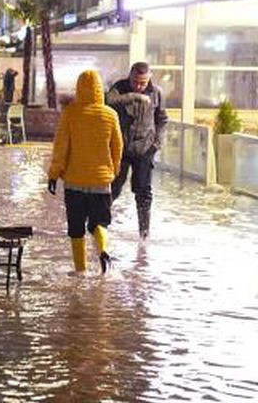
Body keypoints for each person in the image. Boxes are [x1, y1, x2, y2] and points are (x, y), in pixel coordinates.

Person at [47, 69, 123, 275]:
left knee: (76, 227)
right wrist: (112, 172)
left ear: (79, 88)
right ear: (100, 90)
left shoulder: (70, 113)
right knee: (100, 222)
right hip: (101, 181)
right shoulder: (110, 115)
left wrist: (54, 174)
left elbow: (61, 147)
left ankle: (80, 271)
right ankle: (103, 249)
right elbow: (118, 148)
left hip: (74, 181)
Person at [106, 61, 168, 239]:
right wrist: (134, 96)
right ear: (130, 76)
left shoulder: (156, 92)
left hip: (145, 148)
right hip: (121, 147)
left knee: (143, 191)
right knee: (113, 187)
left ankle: (144, 233)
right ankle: (99, 224)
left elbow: (162, 119)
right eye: (136, 82)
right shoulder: (119, 87)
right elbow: (109, 101)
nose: (140, 86)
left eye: (143, 83)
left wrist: (157, 143)